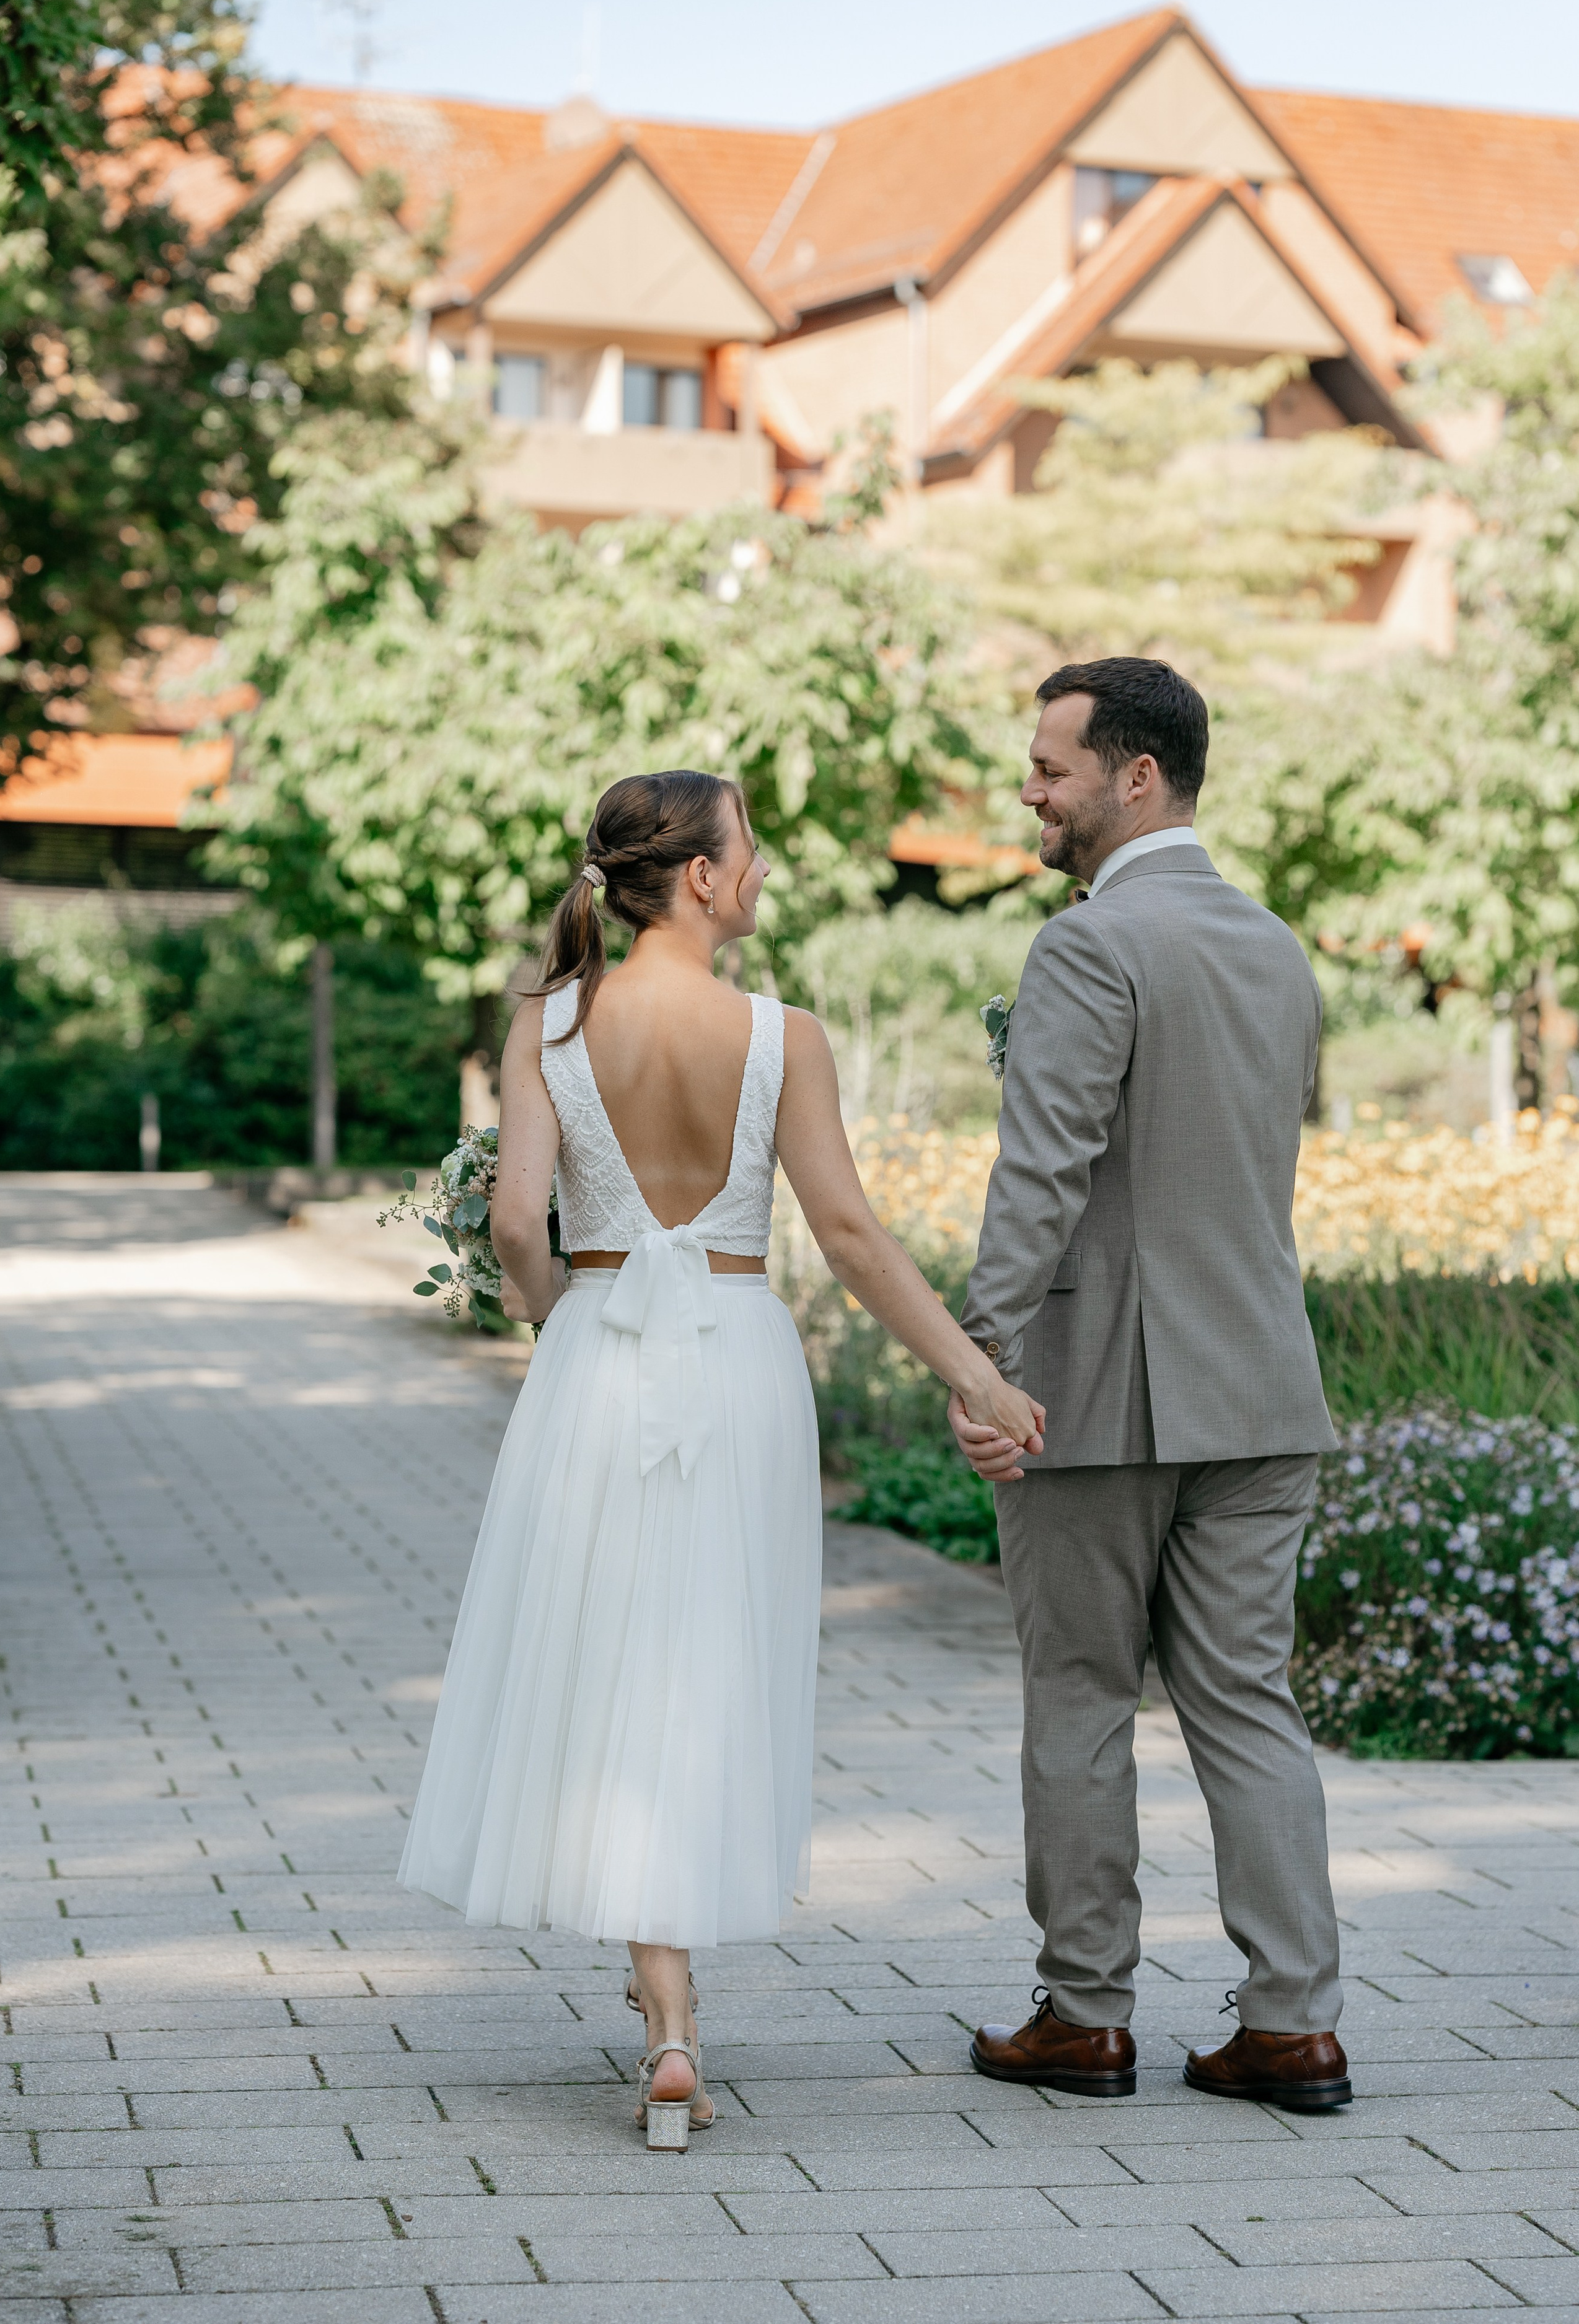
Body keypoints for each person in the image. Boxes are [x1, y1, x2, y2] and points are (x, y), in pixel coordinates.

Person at [398, 769, 1044, 2151]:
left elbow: (519, 1226)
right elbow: (854, 1241)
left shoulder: (549, 1026)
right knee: (700, 1667)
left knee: (610, 1661)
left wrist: (553, 1316)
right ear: (696, 876)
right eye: (748, 854)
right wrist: (976, 1377)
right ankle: (673, 2012)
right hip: (741, 1358)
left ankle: (667, 2014)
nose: (759, 876)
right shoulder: (782, 1036)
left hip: (600, 1355)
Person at [952, 659, 1350, 2113]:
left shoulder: (1088, 947)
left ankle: (1083, 2016)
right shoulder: (1272, 945)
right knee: (1249, 1703)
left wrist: (981, 1360)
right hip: (1260, 1383)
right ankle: (1294, 2025)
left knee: (1074, 1697)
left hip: (1094, 1394)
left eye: (1049, 767)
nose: (1028, 790)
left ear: (1134, 778)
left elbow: (1043, 1172)